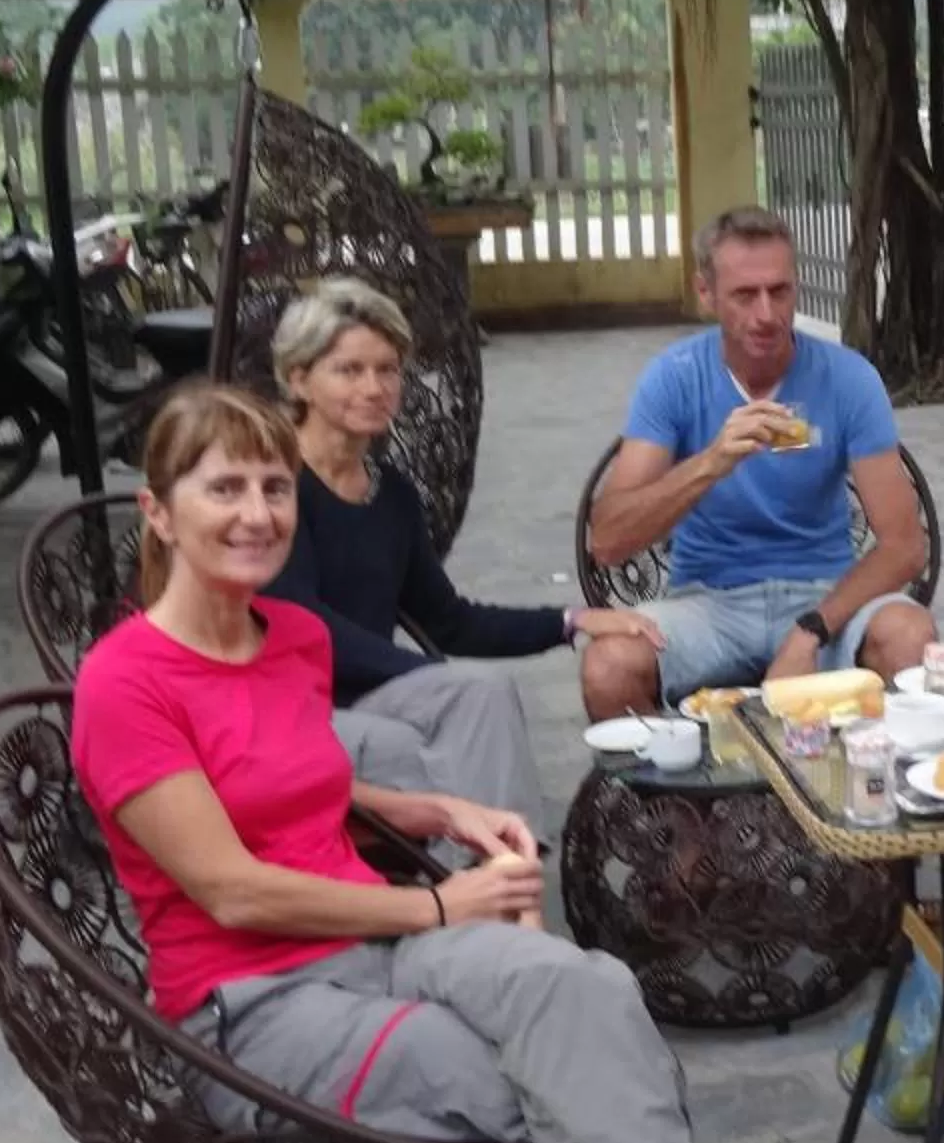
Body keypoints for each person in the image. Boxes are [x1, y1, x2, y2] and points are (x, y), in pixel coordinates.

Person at [73, 385, 861, 1143]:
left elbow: (301, 780)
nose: (255, 512)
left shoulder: (286, 638)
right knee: (541, 1076)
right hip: (254, 1008)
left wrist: (429, 805)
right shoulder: (125, 682)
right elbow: (228, 885)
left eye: (273, 487)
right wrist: (440, 912)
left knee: (585, 992)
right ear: (159, 512)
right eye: (223, 488)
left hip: (365, 934)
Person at [265, 276, 660, 819]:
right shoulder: (270, 487)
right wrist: (422, 671)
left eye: (388, 369)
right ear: (299, 379)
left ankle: (502, 873)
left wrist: (574, 620)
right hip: (291, 700)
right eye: (349, 370)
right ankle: (488, 879)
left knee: (486, 694)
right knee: (454, 723)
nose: (376, 387)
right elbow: (301, 624)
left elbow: (450, 620)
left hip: (375, 691)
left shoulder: (392, 495)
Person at [582, 207, 935, 719]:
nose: (766, 314)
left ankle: (880, 792)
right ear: (705, 294)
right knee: (608, 667)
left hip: (826, 598)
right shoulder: (674, 378)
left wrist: (812, 628)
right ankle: (661, 801)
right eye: (745, 295)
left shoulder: (848, 378)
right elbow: (609, 541)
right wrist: (712, 462)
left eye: (780, 291)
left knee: (911, 637)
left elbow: (905, 547)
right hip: (708, 603)